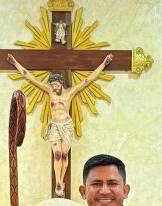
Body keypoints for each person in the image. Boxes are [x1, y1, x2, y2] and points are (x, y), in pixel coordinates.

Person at [7, 53, 113, 197]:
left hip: (67, 126)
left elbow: (88, 80)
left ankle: (62, 181)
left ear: (61, 83)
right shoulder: (50, 91)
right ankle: (58, 183)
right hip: (55, 126)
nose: (54, 87)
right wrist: (15, 63)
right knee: (57, 154)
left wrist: (104, 63)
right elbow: (29, 75)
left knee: (64, 155)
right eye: (52, 84)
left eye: (56, 84)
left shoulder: (70, 93)